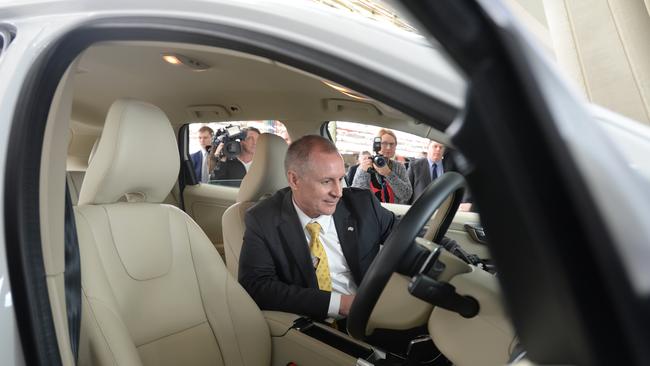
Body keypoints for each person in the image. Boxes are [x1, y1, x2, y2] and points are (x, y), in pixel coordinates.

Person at [238, 135, 428, 322]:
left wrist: (451, 251)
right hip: (314, 327)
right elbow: (256, 286)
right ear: (295, 180)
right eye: (326, 181)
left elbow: (409, 233)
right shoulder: (263, 219)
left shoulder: (362, 204)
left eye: (340, 179)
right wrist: (341, 304)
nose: (338, 192)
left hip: (374, 314)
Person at [351, 129, 412, 204]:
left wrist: (388, 173)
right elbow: (357, 195)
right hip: (371, 212)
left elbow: (406, 195)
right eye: (384, 143)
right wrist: (363, 172)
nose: (389, 147)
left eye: (392, 144)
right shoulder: (366, 164)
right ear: (377, 145)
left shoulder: (399, 167)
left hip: (393, 212)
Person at [408, 140, 473, 211]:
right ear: (428, 148)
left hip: (443, 213)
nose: (438, 149)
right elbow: (407, 193)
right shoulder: (415, 166)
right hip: (419, 212)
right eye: (435, 146)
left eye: (441, 147)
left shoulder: (452, 168)